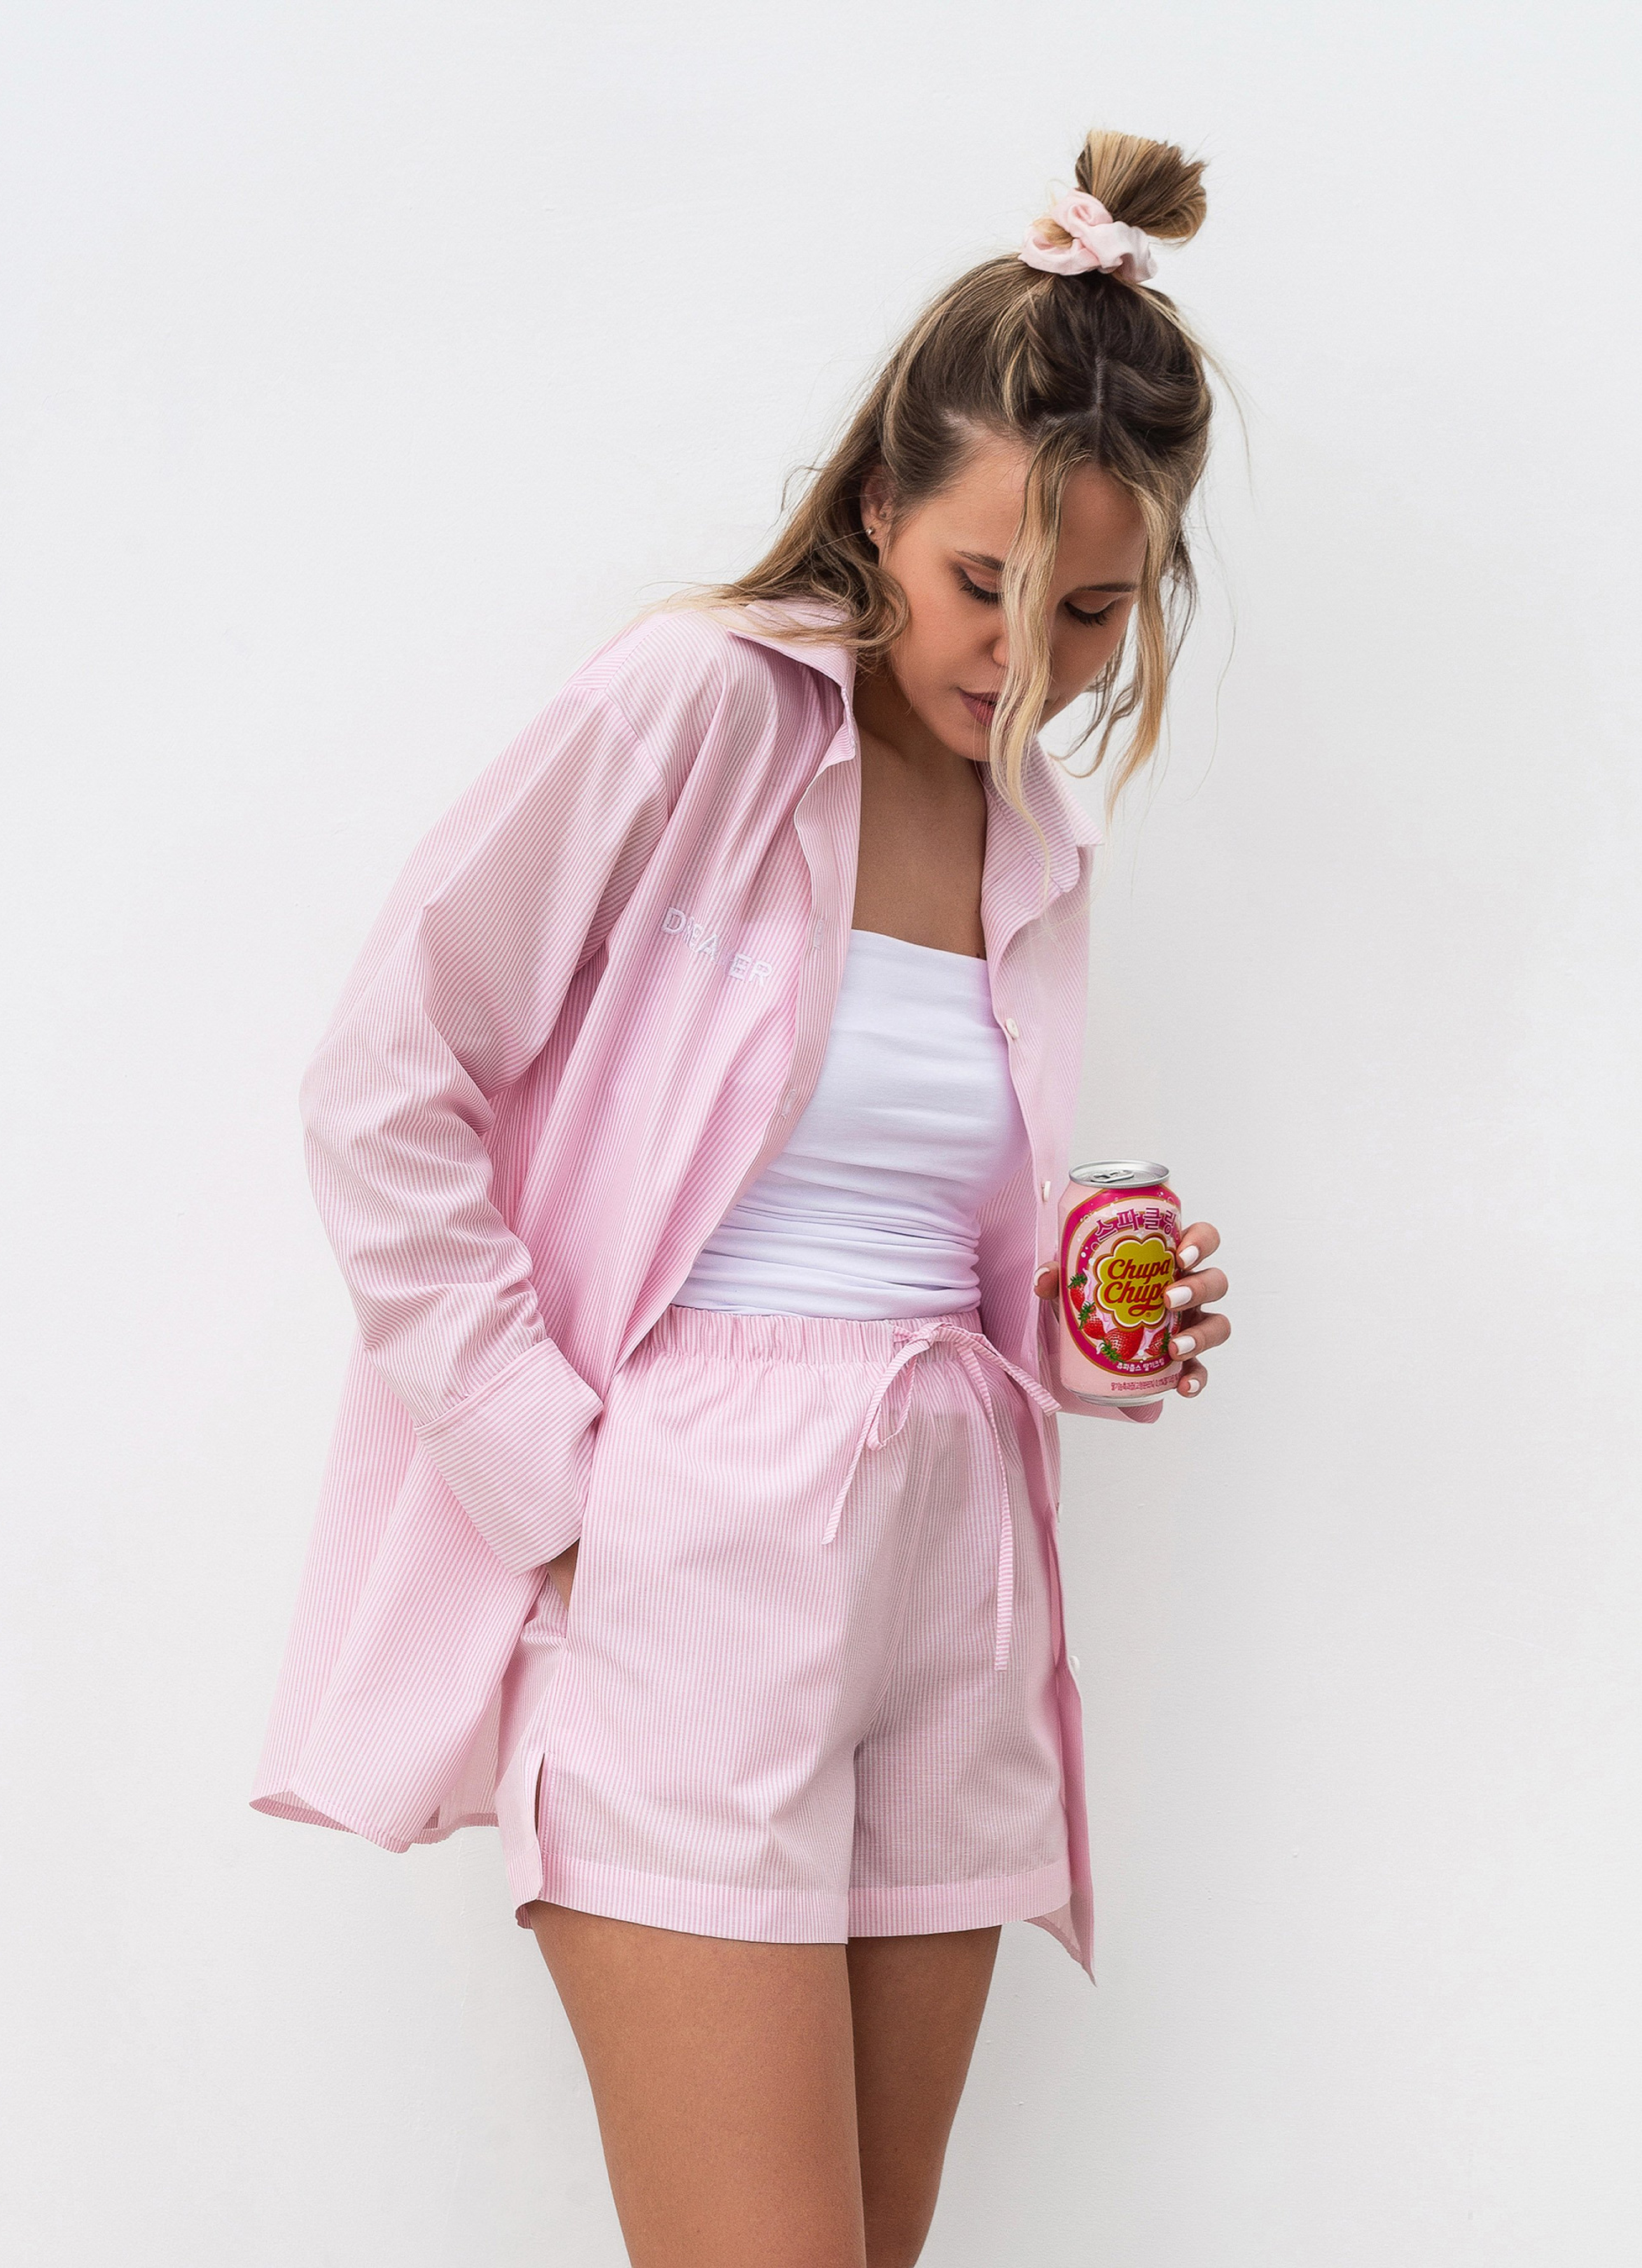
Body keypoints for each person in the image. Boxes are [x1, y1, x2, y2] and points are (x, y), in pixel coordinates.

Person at [252, 126, 1233, 2268]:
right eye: (982, 587)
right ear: (880, 507)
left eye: (1086, 614)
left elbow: (908, 1224)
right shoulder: (694, 704)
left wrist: (1083, 1332)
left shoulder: (1032, 831)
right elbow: (382, 1085)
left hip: (958, 1560)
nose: (1026, 663)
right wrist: (565, 1484)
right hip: (696, 1534)